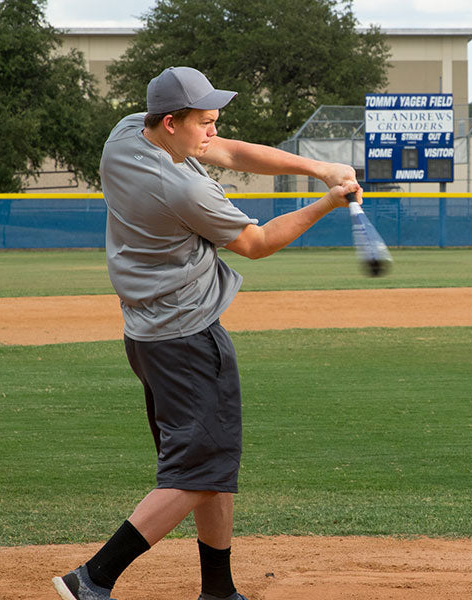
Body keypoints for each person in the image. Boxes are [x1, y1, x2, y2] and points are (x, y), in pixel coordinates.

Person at [52, 66, 362, 600]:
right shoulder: (182, 188)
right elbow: (257, 243)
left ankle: (219, 591)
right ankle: (93, 577)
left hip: (149, 336)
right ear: (171, 122)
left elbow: (234, 153)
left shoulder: (127, 134)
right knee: (195, 473)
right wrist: (329, 201)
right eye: (206, 122)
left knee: (206, 464)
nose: (213, 132)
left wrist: (319, 166)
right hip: (188, 339)